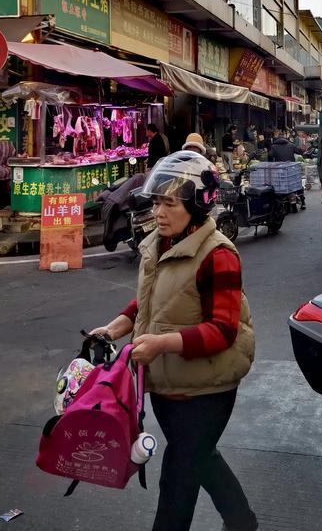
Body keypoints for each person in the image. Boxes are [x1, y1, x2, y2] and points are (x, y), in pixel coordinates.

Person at [90, 152, 258, 531]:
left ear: (197, 206)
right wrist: (116, 327)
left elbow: (224, 329)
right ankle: (243, 522)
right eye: (156, 203)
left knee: (179, 477)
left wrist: (162, 344)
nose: (159, 212)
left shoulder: (219, 255)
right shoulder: (159, 243)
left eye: (170, 203)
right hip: (167, 386)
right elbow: (153, 298)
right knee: (201, 458)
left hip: (207, 391)